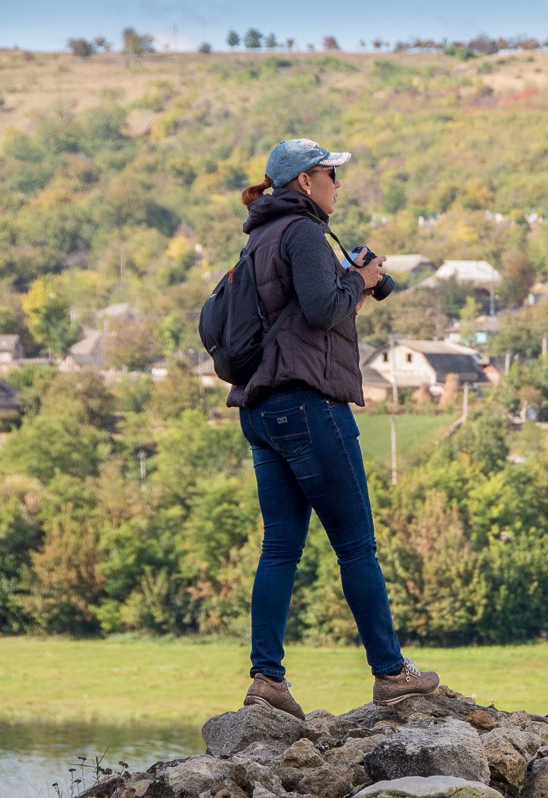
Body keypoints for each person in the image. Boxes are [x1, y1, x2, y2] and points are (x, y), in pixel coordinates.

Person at [229, 139, 438, 718]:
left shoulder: (258, 238)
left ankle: (267, 680)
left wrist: (353, 285)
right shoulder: (303, 233)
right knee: (356, 548)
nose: (337, 184)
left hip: (261, 408)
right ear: (304, 181)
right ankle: (391, 673)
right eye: (329, 174)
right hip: (309, 407)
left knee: (279, 549)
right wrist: (361, 277)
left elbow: (307, 318)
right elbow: (323, 311)